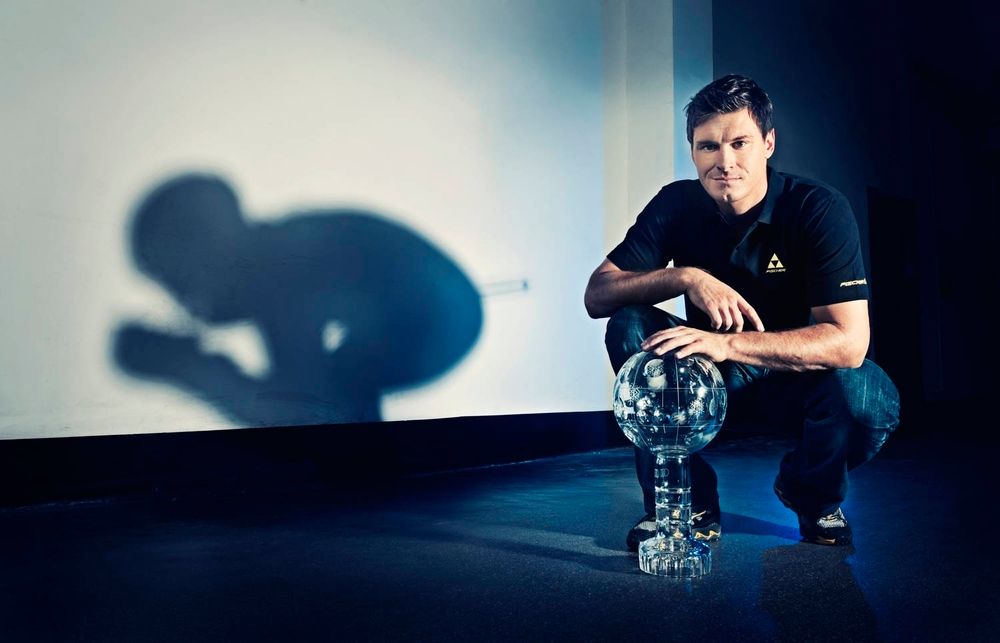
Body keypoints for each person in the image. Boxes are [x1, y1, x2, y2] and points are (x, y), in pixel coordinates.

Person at [584, 74, 900, 549]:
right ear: (693, 151)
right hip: (709, 382)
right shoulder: (676, 204)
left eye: (739, 143)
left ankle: (810, 492)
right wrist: (686, 277)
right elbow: (598, 294)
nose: (724, 161)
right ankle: (686, 502)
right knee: (629, 325)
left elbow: (850, 342)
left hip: (796, 383)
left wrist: (727, 342)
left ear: (768, 143)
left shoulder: (816, 208)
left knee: (868, 397)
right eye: (708, 146)